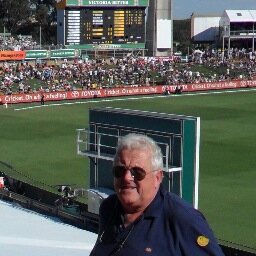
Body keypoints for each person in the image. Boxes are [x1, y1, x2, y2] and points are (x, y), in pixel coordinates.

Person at [90, 133, 224, 256]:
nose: (126, 178)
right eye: (120, 170)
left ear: (158, 178)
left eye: (137, 172)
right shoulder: (109, 207)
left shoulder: (182, 218)